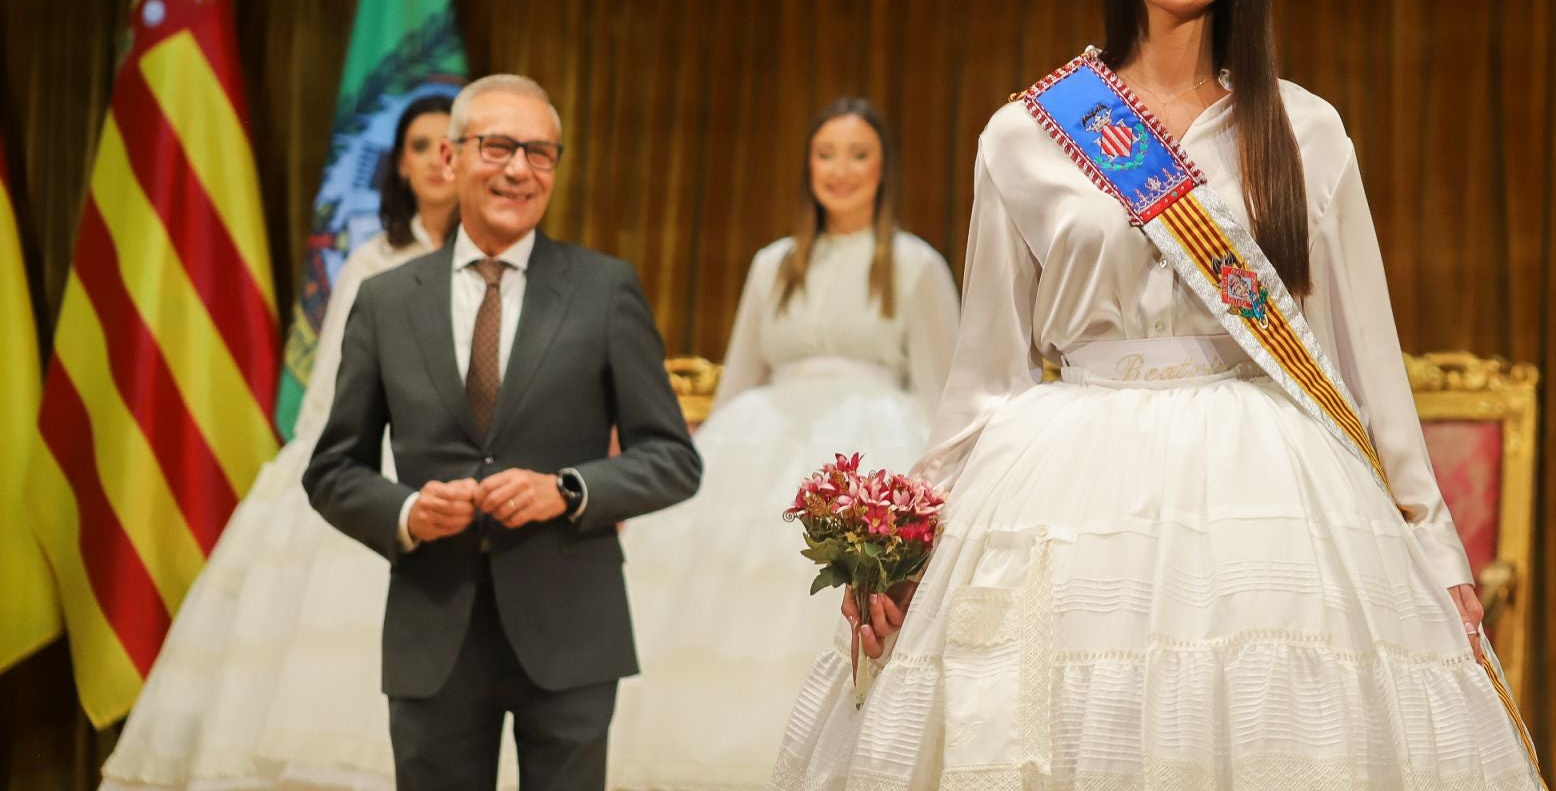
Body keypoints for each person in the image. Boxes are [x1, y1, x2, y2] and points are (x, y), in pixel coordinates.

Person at [770, 0, 1544, 791]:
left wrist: (1433, 545)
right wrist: (905, 545)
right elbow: (985, 370)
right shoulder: (1027, 134)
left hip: (1265, 482)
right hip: (1064, 477)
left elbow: (1366, 355)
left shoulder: (1305, 129)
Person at [305, 74, 702, 791]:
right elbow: (333, 470)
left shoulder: (605, 290)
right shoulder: (385, 301)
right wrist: (407, 513)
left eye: (540, 153)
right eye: (498, 147)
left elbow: (674, 459)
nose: (519, 169)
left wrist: (569, 489)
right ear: (451, 160)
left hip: (573, 629)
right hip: (434, 630)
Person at [101, 96, 473, 791]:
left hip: (459, 466)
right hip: (382, 458)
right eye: (421, 146)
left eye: (449, 144)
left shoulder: (491, 260)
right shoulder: (373, 257)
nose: (436, 159)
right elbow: (338, 372)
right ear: (401, 164)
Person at [606, 98, 960, 791]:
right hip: (760, 452)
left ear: (883, 168)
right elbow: (740, 377)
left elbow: (944, 387)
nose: (841, 170)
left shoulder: (915, 264)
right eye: (827, 153)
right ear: (808, 166)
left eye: (859, 154)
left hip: (872, 448)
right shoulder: (774, 263)